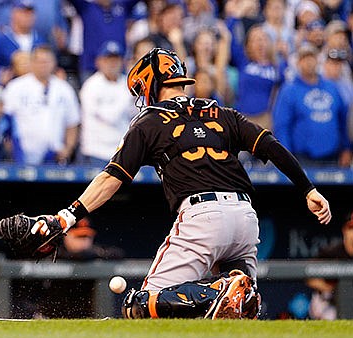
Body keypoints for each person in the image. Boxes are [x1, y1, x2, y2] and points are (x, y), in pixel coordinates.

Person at [28, 48, 332, 319]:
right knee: (235, 314)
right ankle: (233, 289)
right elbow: (271, 145)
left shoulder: (150, 121)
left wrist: (67, 215)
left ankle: (217, 292)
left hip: (203, 217)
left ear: (150, 85)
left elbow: (111, 179)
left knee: (140, 306)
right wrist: (308, 189)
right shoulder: (223, 113)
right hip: (245, 218)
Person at [273, 44, 352, 167]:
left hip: (333, 157)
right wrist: (286, 158)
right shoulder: (289, 90)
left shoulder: (332, 87)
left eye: (312, 57)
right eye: (304, 58)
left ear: (318, 60)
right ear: (298, 63)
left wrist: (346, 148)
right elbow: (282, 126)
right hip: (302, 158)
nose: (309, 62)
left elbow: (342, 120)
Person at [3, 45, 80, 165]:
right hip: (22, 156)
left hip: (55, 155)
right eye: (39, 61)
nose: (43, 65)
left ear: (54, 63)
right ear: (32, 63)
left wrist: (68, 149)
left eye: (47, 61)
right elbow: (5, 121)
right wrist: (11, 150)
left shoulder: (64, 89)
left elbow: (72, 122)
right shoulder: (16, 87)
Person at [78, 40, 134, 166]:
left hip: (121, 153)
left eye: (116, 59)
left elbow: (137, 113)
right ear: (99, 61)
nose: (112, 63)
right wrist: (129, 94)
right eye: (108, 59)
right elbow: (110, 117)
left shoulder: (126, 83)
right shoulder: (91, 86)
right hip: (96, 153)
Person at [306, 211, 353, 320]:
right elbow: (309, 276)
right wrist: (333, 289)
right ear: (345, 230)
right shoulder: (331, 252)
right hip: (331, 301)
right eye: (351, 228)